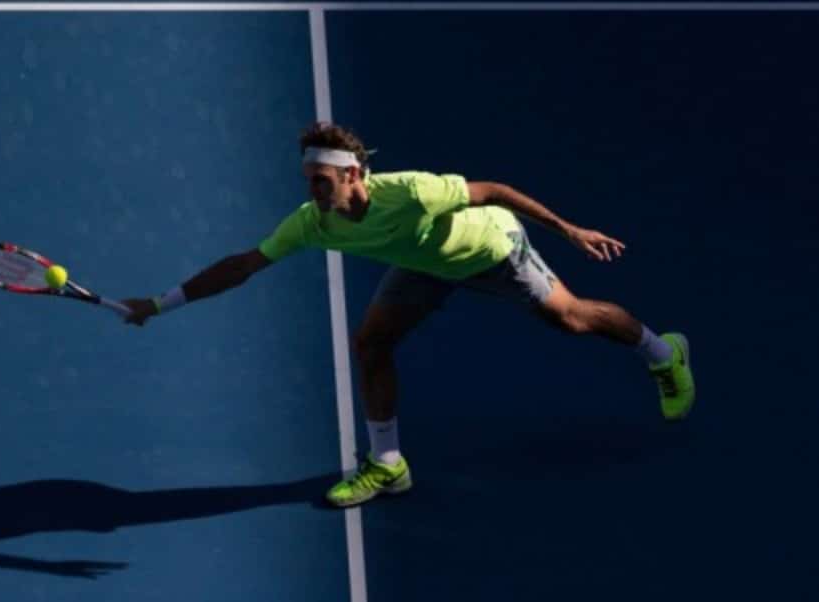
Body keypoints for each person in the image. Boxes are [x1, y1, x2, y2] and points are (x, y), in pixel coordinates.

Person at [121, 122, 695, 508]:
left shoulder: (413, 192)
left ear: (352, 175)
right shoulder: (312, 222)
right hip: (421, 265)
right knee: (371, 344)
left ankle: (664, 352)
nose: (313, 191)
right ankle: (388, 463)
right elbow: (245, 264)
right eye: (308, 182)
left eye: (321, 181)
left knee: (569, 318)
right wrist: (159, 303)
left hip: (489, 252)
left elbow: (493, 190)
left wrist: (568, 230)